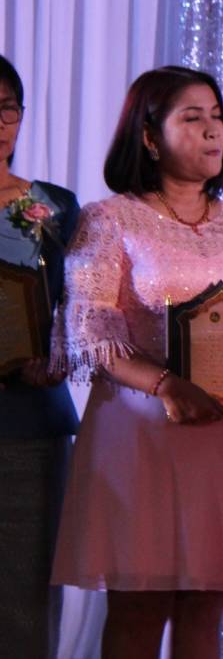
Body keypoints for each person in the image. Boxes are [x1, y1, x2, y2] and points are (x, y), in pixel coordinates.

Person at [50, 66, 223, 659]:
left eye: (217, 117)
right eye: (193, 117)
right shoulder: (111, 219)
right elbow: (91, 327)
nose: (213, 130)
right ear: (150, 138)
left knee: (205, 608)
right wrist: (166, 385)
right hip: (140, 431)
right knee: (139, 607)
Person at [0, 54, 79, 659]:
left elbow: (85, 307)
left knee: (24, 601)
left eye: (7, 109)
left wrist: (61, 353)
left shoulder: (54, 206)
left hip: (27, 424)